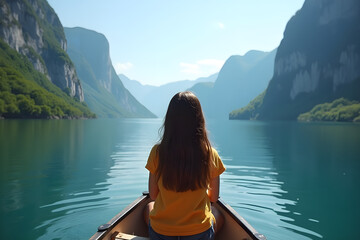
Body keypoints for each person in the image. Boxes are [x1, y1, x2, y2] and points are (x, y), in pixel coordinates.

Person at [144, 91, 226, 240]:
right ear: (199, 119)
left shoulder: (157, 152)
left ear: (169, 120)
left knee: (148, 207)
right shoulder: (210, 154)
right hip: (198, 234)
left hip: (162, 234)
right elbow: (214, 197)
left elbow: (153, 195)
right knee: (219, 214)